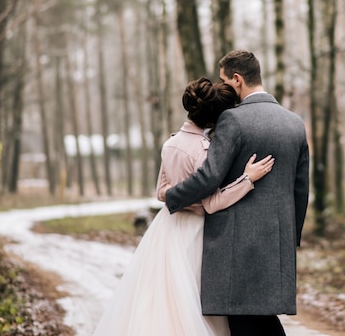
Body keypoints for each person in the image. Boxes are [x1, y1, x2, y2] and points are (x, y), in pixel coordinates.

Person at [92, 78, 275, 336]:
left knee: (163, 299)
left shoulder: (170, 144)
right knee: (194, 301)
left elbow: (161, 192)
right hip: (195, 233)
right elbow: (211, 204)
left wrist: (184, 201)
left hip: (167, 227)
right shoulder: (204, 151)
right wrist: (247, 179)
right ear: (215, 120)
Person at [163, 50, 310, 336]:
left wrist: (172, 195)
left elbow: (209, 177)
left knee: (243, 323)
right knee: (264, 319)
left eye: (224, 81)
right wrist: (291, 236)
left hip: (235, 242)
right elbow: (300, 188)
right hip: (277, 241)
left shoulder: (233, 120)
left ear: (237, 79)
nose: (221, 89)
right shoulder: (295, 122)